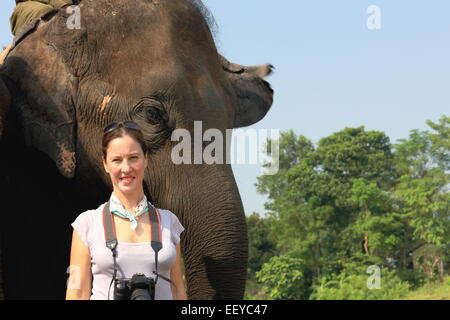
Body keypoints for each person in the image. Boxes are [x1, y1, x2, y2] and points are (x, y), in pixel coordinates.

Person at [65, 121, 187, 300]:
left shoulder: (169, 222)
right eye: (117, 160)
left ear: (146, 159)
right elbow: (76, 292)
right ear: (105, 164)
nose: (126, 168)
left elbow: (178, 292)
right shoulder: (86, 224)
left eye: (133, 158)